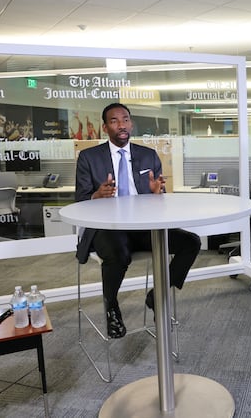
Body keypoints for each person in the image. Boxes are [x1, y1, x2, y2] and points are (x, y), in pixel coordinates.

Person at [75, 103, 201, 339]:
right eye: (114, 121)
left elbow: (159, 203)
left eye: (125, 120)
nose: (121, 125)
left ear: (131, 124)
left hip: (142, 227)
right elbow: (79, 201)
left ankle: (157, 296)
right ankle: (111, 307)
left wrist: (156, 194)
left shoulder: (148, 155)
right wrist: (95, 196)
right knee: (119, 254)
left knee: (191, 242)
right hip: (107, 228)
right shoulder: (89, 158)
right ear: (105, 127)